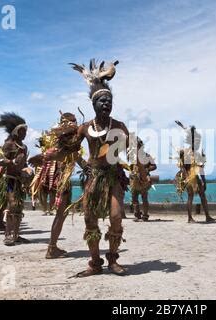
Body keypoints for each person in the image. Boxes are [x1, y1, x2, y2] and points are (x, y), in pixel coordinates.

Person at [44, 59, 129, 276]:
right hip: (94, 178)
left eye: (109, 101)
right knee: (90, 219)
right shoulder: (84, 128)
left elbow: (129, 151)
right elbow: (70, 149)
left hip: (113, 177)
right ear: (94, 104)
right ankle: (95, 263)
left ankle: (112, 260)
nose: (106, 104)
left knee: (116, 216)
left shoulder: (119, 126)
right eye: (101, 101)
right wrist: (52, 154)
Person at [29, 112, 87, 259]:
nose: (75, 125)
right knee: (61, 215)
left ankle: (52, 247)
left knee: (61, 214)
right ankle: (52, 248)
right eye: (72, 122)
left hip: (55, 181)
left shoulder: (62, 142)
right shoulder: (64, 143)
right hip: (58, 181)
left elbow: (75, 158)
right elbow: (66, 157)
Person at [0, 113, 33, 246]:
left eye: (26, 131)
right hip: (10, 180)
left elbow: (23, 164)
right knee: (12, 205)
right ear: (16, 131)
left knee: (18, 207)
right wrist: (12, 161)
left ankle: (16, 235)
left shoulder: (23, 147)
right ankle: (8, 235)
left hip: (20, 181)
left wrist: (27, 170)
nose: (25, 133)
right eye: (23, 131)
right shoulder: (8, 145)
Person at [174, 122, 215, 223]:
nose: (197, 143)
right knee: (191, 196)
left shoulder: (197, 154)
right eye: (196, 141)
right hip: (188, 178)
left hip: (196, 177)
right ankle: (190, 218)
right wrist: (187, 179)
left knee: (202, 196)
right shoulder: (186, 152)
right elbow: (183, 167)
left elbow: (201, 168)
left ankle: (207, 216)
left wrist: (204, 180)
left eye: (198, 142)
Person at [128, 135, 157, 221]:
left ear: (141, 146)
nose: (137, 147)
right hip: (134, 180)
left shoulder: (147, 156)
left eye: (138, 145)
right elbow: (131, 167)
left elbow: (154, 166)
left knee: (144, 197)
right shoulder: (132, 156)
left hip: (144, 179)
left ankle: (145, 215)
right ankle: (137, 214)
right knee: (134, 197)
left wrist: (146, 169)